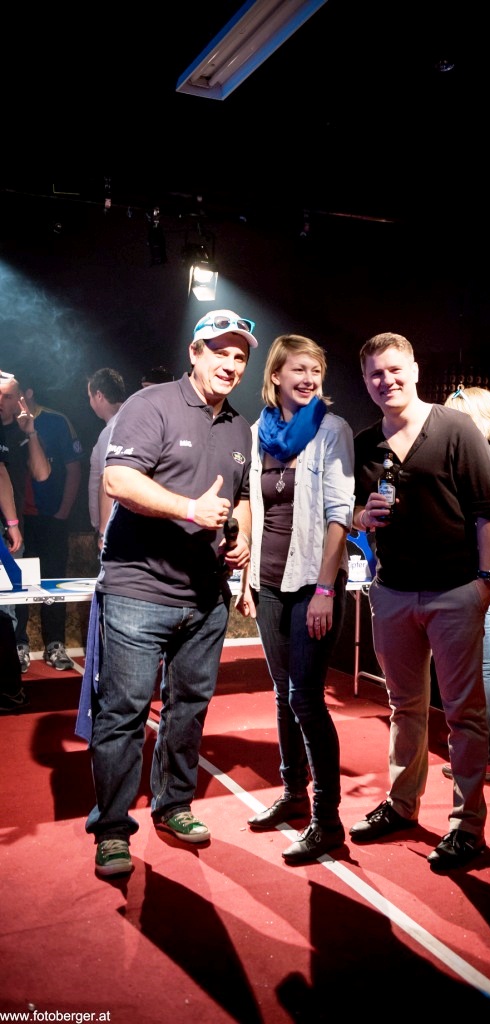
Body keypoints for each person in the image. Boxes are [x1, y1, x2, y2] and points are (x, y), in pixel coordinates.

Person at [83, 309, 256, 879]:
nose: (230, 364)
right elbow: (118, 480)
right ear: (194, 352)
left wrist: (240, 538)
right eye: (220, 351)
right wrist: (189, 509)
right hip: (139, 589)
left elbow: (239, 496)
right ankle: (112, 829)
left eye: (240, 356)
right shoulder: (150, 404)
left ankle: (174, 804)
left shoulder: (238, 426)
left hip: (205, 598)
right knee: (123, 714)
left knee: (188, 710)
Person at [349, 332, 490, 872]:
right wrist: (362, 517)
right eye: (375, 373)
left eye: (394, 369)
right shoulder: (365, 443)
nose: (386, 380)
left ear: (414, 370)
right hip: (392, 593)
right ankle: (401, 805)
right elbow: (349, 513)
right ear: (365, 381)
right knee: (404, 708)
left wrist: (484, 583)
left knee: (463, 713)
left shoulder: (456, 428)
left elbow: (488, 512)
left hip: (455, 592)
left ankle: (467, 825)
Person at [235, 334, 354, 865]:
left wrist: (326, 588)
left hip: (312, 583)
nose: (308, 379)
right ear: (276, 376)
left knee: (305, 697)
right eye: (299, 370)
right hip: (267, 582)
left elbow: (339, 514)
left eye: (316, 371)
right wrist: (245, 581)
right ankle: (293, 794)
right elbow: (250, 505)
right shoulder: (257, 432)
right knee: (283, 695)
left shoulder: (332, 430)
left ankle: (327, 820)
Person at [442, 386, 490, 783]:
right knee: (479, 668)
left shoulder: (481, 463)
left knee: (482, 668)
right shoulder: (486, 460)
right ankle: (484, 754)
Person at [10, 377, 82, 672]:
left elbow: (74, 468)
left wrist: (63, 511)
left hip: (50, 518)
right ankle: (19, 645)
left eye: (9, 396)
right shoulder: (5, 425)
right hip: (17, 522)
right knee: (17, 584)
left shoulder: (56, 420)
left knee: (53, 581)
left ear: (27, 393)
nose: (4, 403)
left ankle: (55, 644)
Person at [0, 370, 51, 672]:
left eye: (6, 396)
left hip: (10, 531)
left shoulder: (21, 432)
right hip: (10, 525)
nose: (0, 401)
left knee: (8, 601)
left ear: (18, 399)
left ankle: (11, 659)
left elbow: (42, 474)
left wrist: (30, 431)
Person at [86, 368, 126, 552]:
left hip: (115, 528)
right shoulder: (135, 421)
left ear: (99, 396)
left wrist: (103, 533)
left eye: (90, 397)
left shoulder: (111, 432)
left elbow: (108, 484)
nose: (90, 403)